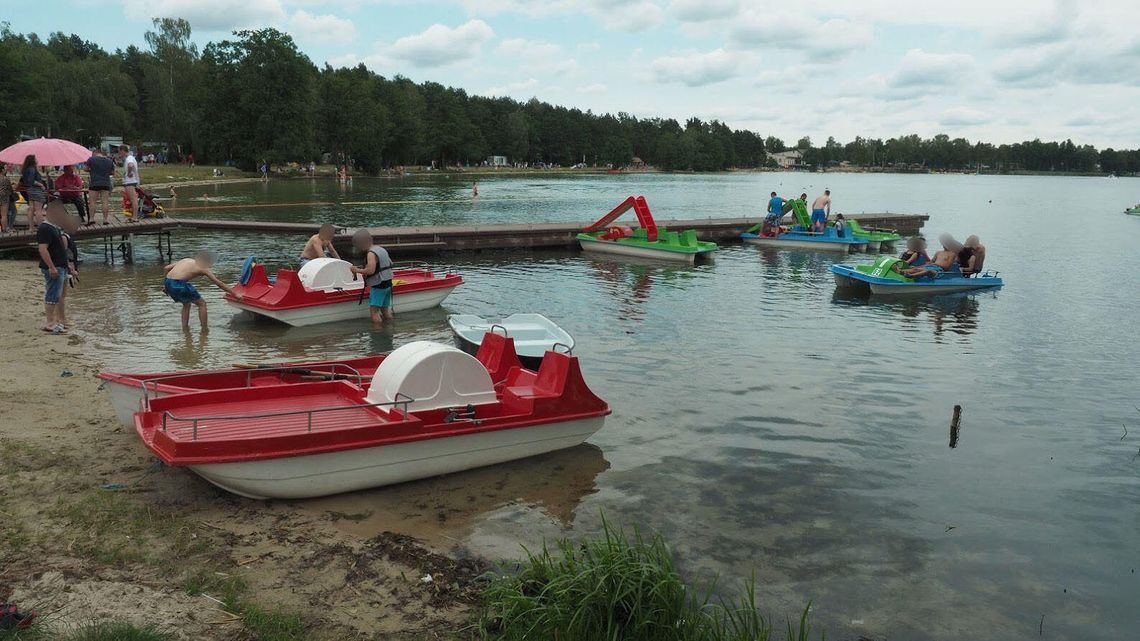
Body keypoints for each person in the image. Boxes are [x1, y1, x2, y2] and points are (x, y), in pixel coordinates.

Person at [163, 252, 243, 329]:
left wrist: (166, 286)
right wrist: (235, 294)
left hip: (168, 281)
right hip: (179, 284)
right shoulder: (203, 268)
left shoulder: (186, 260)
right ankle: (204, 329)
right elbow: (219, 284)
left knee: (186, 304)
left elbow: (166, 268)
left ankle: (185, 328)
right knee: (202, 304)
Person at [36, 203, 71, 334]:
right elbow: (42, 249)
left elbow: (61, 249)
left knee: (58, 294)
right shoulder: (45, 228)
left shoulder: (54, 228)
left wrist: (67, 266)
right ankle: (50, 322)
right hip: (54, 266)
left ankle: (56, 320)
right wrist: (51, 267)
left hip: (60, 265)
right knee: (52, 294)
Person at [349, 229, 394, 324]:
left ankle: (377, 333)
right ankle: (389, 327)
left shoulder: (370, 253)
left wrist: (356, 270)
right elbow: (390, 263)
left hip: (379, 285)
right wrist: (365, 267)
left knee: (374, 312)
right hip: (388, 283)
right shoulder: (381, 249)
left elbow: (371, 270)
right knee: (385, 310)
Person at [57, 214, 80, 328]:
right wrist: (71, 270)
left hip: (67, 266)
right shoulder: (64, 237)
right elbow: (63, 254)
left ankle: (61, 317)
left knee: (63, 294)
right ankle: (61, 319)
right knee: (61, 294)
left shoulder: (66, 235)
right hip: (64, 267)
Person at [86, 148, 115, 225]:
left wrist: (92, 170)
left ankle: (91, 219)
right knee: (105, 201)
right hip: (105, 183)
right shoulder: (109, 161)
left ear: (95, 153)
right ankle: (105, 219)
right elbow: (112, 172)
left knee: (92, 202)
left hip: (94, 183)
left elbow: (86, 169)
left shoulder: (91, 159)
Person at [20, 155, 48, 227]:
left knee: (31, 208)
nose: (37, 160)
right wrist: (41, 184)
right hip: (36, 190)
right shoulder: (32, 169)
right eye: (35, 158)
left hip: (29, 190)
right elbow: (31, 180)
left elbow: (27, 181)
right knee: (38, 210)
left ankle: (31, 227)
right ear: (32, 160)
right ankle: (41, 227)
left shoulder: (26, 169)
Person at [118, 145, 140, 219]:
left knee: (133, 199)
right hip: (130, 182)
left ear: (123, 151)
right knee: (132, 199)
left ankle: (135, 217)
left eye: (119, 152)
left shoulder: (129, 158)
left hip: (130, 182)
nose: (119, 154)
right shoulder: (129, 158)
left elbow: (130, 165)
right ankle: (134, 216)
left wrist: (129, 173)